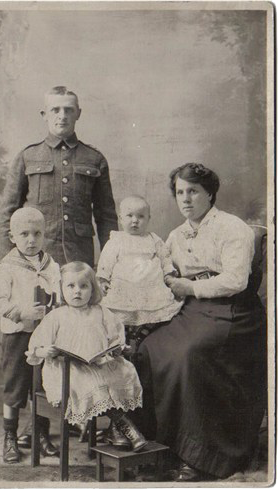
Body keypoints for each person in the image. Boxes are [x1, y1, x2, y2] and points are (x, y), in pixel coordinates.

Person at [137, 163, 267, 481]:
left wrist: (190, 286)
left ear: (209, 193)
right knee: (150, 348)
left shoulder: (232, 227)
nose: (186, 199)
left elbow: (237, 280)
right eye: (180, 192)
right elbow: (164, 272)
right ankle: (159, 446)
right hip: (194, 310)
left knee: (188, 355)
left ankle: (199, 456)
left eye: (193, 191)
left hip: (234, 313)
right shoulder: (176, 235)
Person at [26, 261, 148, 453]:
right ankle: (127, 427)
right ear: (61, 288)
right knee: (93, 383)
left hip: (97, 364)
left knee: (126, 371)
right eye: (71, 286)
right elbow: (35, 346)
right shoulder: (57, 316)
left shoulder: (101, 312)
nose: (77, 292)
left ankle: (116, 429)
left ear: (93, 289)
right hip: (66, 371)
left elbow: (115, 336)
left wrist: (116, 348)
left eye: (84, 286)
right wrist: (44, 351)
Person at [0, 85, 118, 267]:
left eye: (69, 110)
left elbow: (106, 217)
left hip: (79, 259)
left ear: (78, 114)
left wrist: (111, 265)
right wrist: (5, 264)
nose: (62, 116)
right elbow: (8, 213)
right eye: (55, 110)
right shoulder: (27, 157)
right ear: (44, 115)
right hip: (35, 257)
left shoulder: (94, 158)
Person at [0, 208, 61, 464]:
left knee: (41, 387)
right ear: (12, 236)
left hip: (43, 337)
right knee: (15, 386)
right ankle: (9, 437)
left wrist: (53, 307)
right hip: (18, 336)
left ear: (44, 235)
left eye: (37, 234)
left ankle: (39, 434)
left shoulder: (51, 265)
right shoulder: (7, 267)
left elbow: (59, 294)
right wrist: (22, 312)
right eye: (24, 234)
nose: (31, 240)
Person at [97, 195, 183, 346]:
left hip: (149, 283)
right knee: (120, 312)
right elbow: (106, 259)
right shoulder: (117, 239)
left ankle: (146, 333)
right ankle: (123, 337)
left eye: (141, 216)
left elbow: (165, 257)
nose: (135, 220)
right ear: (121, 218)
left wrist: (168, 272)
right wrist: (103, 279)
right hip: (125, 283)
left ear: (149, 218)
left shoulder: (153, 238)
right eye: (129, 216)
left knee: (154, 309)